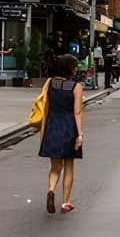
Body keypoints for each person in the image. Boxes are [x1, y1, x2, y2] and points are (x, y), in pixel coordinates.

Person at [40, 55, 83, 214]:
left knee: (55, 166)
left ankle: (51, 190)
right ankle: (65, 202)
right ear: (71, 68)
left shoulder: (50, 83)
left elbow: (45, 104)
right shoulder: (76, 86)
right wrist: (80, 134)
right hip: (69, 127)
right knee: (69, 167)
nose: (77, 69)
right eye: (75, 66)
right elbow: (77, 112)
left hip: (52, 126)